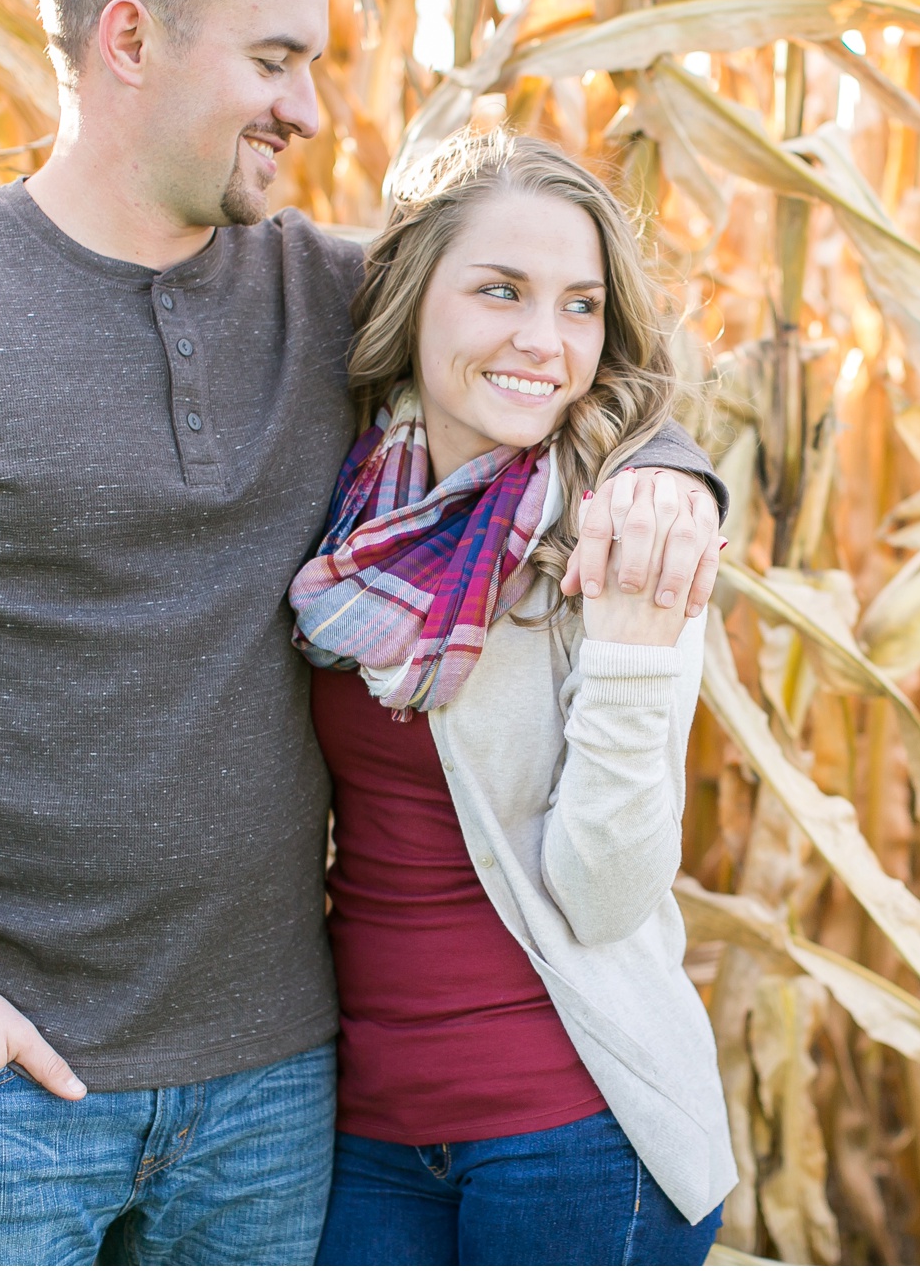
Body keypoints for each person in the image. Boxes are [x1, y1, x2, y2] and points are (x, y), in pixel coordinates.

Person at [0, 0, 721, 1265]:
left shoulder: (324, 299)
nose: (308, 107)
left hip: (279, 1092)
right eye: (275, 59)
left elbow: (546, 346)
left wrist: (672, 477)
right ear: (130, 39)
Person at [295, 129, 733, 1268]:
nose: (543, 342)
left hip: (572, 1134)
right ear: (409, 291)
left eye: (579, 306)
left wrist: (638, 651)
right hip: (364, 1132)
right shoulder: (345, 501)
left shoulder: (622, 532)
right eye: (500, 290)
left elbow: (605, 893)